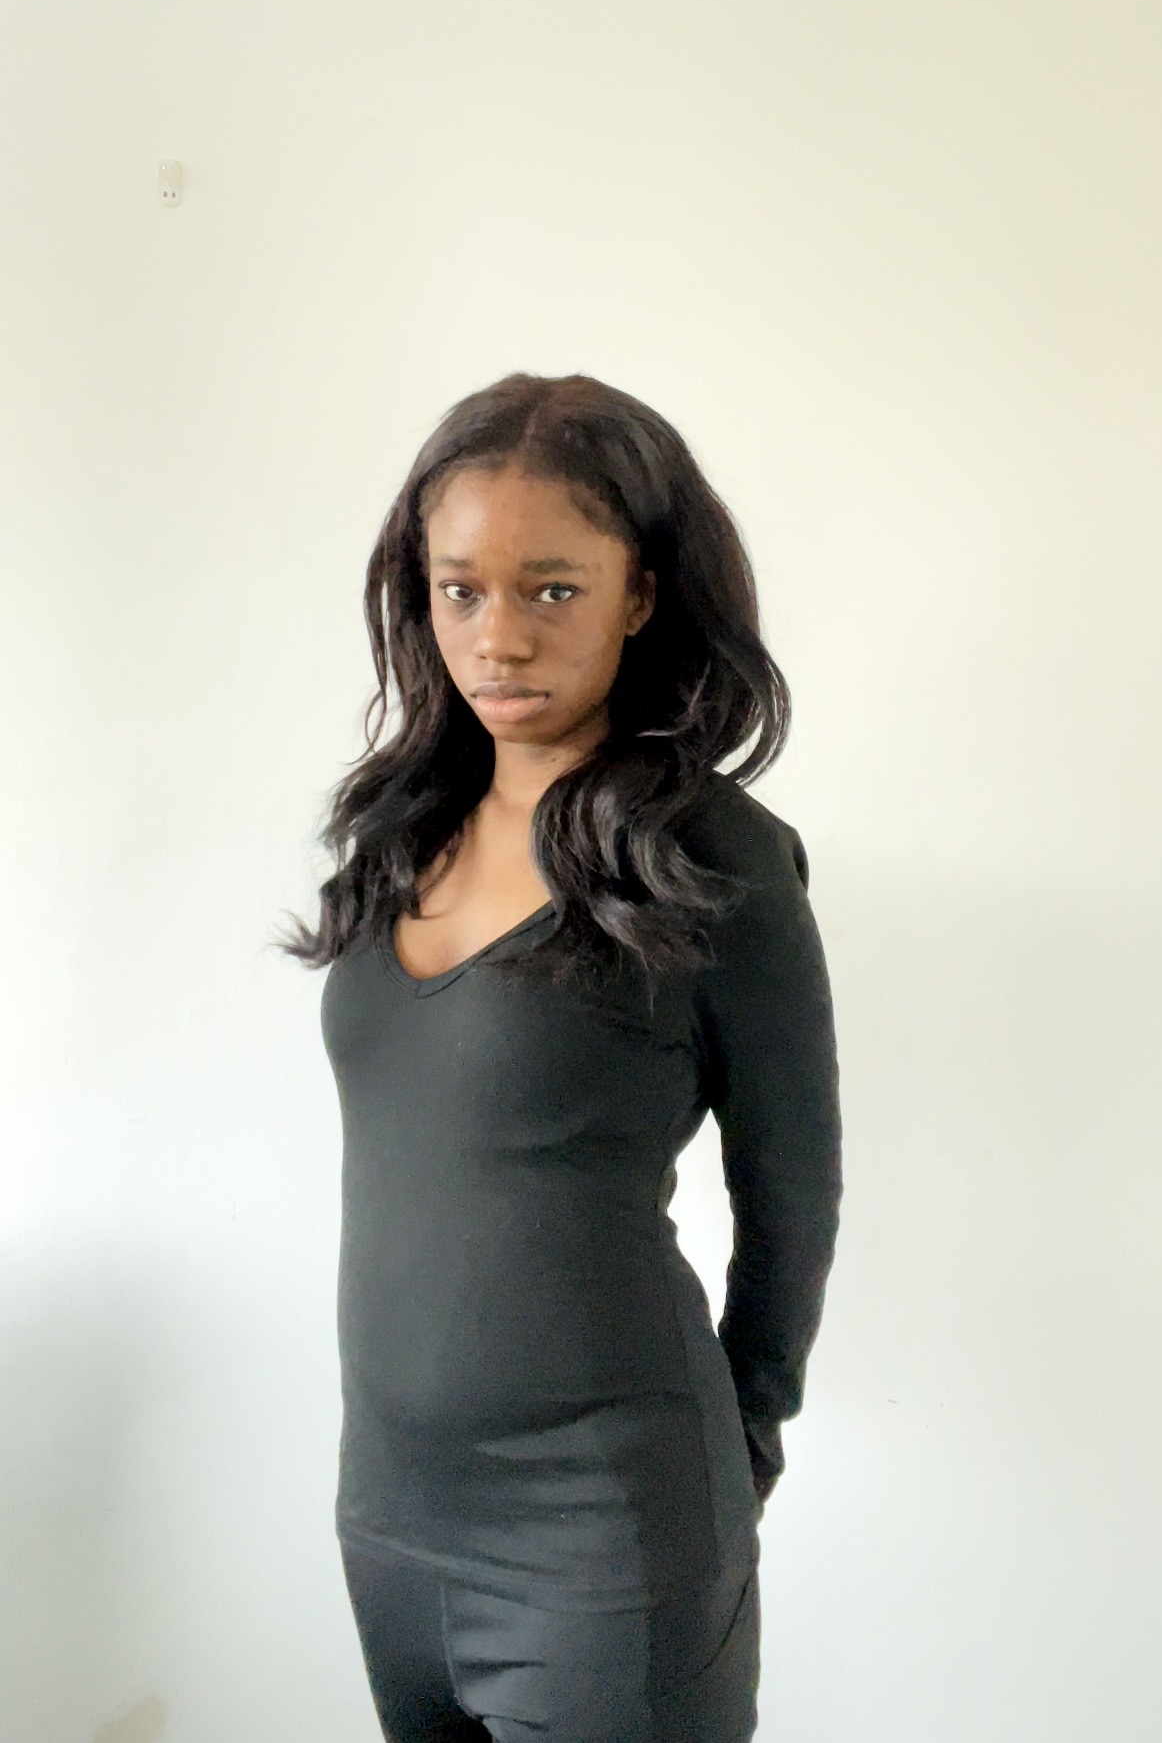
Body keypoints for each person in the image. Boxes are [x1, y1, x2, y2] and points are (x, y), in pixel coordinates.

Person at [278, 372, 843, 1742]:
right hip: (390, 1521)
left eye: (551, 589)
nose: (500, 638)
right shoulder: (403, 832)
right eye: (460, 590)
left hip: (606, 1534)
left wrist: (742, 1444)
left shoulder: (715, 859)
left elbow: (793, 1193)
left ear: (639, 593)